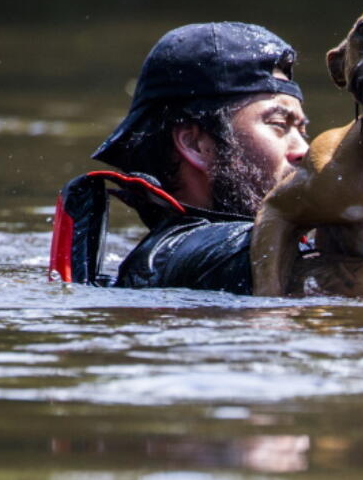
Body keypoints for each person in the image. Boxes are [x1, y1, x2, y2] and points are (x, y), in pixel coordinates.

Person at [51, 22, 310, 293]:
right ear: (195, 144)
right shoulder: (190, 255)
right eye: (279, 124)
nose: (305, 150)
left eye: (302, 130)